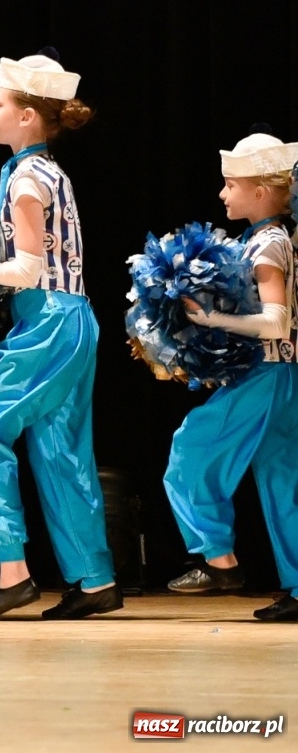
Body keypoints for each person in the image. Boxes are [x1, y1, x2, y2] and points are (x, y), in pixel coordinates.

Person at [0, 50, 119, 620]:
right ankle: (95, 579)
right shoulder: (45, 171)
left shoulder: (26, 178)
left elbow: (26, 270)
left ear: (26, 116)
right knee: (60, 450)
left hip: (48, 321)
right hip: (70, 316)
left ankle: (12, 571)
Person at [163, 129, 297, 623]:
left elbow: (275, 321)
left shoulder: (268, 245)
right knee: (282, 482)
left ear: (259, 192)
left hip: (265, 373)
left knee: (190, 449)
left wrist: (210, 319)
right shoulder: (268, 240)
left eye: (231, 185)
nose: (223, 194)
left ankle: (217, 558)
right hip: (283, 375)